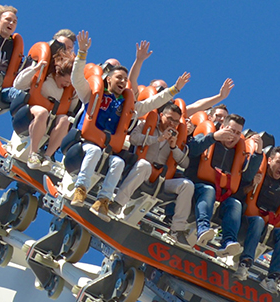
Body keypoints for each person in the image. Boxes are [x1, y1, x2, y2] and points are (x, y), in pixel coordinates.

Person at [70, 31, 190, 221]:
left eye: (124, 80)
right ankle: (80, 189)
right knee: (93, 151)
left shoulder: (129, 106)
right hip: (87, 142)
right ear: (108, 79)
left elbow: (153, 102)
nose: (122, 82)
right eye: (118, 78)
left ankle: (103, 201)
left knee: (118, 163)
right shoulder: (92, 94)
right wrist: (82, 54)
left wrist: (174, 90)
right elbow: (76, 79)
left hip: (109, 148)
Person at [112, 103, 193, 242]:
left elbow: (185, 163)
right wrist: (157, 139)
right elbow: (133, 138)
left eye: (176, 121)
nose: (172, 124)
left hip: (161, 180)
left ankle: (176, 230)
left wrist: (173, 147)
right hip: (141, 171)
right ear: (161, 116)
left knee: (187, 185)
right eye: (169, 119)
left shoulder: (177, 137)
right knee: (144, 165)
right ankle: (117, 204)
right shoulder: (146, 125)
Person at [185, 114, 262, 253]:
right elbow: (192, 149)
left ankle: (227, 241)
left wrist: (258, 153)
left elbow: (247, 175)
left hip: (222, 196)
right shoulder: (208, 137)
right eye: (231, 130)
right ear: (222, 127)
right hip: (199, 188)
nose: (233, 136)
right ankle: (203, 228)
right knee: (209, 190)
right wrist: (213, 137)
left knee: (235, 204)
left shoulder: (239, 153)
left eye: (238, 133)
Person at [233, 146, 280, 295]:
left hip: (270, 225)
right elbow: (238, 193)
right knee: (258, 221)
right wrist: (252, 184)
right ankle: (245, 264)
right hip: (248, 221)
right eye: (279, 162)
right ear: (270, 160)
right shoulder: (259, 173)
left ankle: (272, 278)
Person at [11, 49, 76, 169]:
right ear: (58, 73)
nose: (67, 85)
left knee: (65, 120)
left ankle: (47, 157)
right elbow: (17, 85)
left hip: (52, 118)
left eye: (69, 83)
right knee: (42, 112)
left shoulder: (67, 89)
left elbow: (71, 107)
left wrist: (75, 94)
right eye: (66, 81)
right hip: (29, 111)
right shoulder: (44, 76)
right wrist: (34, 69)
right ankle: (33, 154)